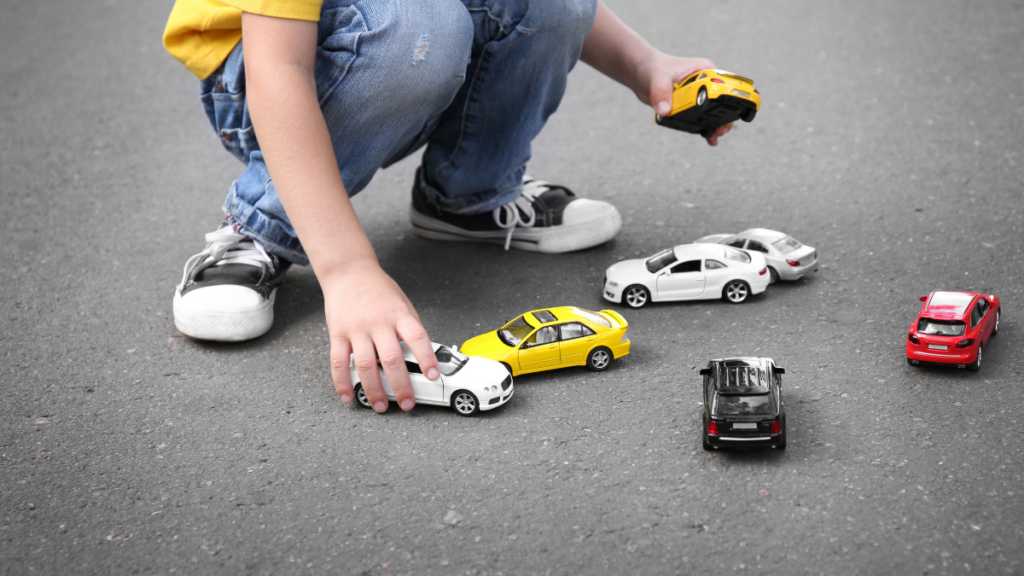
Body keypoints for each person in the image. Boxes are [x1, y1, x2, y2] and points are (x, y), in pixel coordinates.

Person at [162, 0, 733, 414]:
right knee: (420, 22)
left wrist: (643, 65)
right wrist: (348, 270)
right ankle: (264, 220)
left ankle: (468, 194)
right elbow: (277, 69)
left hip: (419, 43)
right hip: (267, 75)